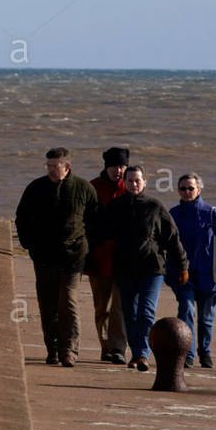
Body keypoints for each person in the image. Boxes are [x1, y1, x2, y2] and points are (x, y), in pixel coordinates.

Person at [15, 148, 100, 368]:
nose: (52, 170)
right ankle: (52, 349)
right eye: (49, 166)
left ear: (67, 167)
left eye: (56, 166)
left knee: (69, 303)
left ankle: (69, 351)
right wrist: (28, 245)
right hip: (43, 257)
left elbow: (95, 221)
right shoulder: (36, 188)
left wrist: (87, 247)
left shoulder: (83, 188)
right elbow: (22, 218)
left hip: (73, 257)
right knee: (48, 304)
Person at [100, 164, 187, 372]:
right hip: (124, 269)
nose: (134, 184)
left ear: (145, 182)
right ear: (125, 182)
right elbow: (99, 233)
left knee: (146, 311)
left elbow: (172, 238)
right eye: (130, 181)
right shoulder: (115, 207)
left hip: (152, 268)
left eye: (138, 180)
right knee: (129, 313)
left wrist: (183, 265)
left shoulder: (155, 206)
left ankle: (142, 354)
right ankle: (135, 351)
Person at [169, 173, 216, 368]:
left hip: (209, 275)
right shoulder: (173, 214)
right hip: (184, 274)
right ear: (178, 190)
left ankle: (204, 352)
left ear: (199, 190)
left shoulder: (212, 213)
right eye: (183, 188)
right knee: (187, 310)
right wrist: (168, 271)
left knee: (206, 318)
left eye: (191, 188)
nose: (187, 192)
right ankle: (188, 354)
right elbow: (166, 244)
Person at [85, 147, 129, 364]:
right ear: (106, 167)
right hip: (99, 258)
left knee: (120, 306)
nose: (118, 171)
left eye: (122, 166)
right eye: (114, 166)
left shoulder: (131, 186)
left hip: (124, 259)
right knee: (101, 306)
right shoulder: (93, 187)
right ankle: (105, 346)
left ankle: (118, 348)